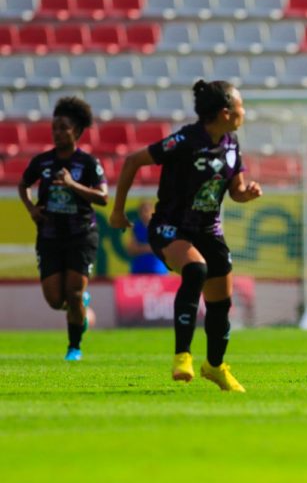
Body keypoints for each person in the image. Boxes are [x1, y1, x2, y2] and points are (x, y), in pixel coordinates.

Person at [108, 80, 262, 392]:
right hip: (171, 226)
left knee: (221, 304)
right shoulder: (186, 140)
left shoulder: (232, 143)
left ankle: (215, 367)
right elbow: (133, 160)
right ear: (225, 112)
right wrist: (118, 211)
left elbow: (236, 190)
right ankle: (182, 355)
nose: (244, 111)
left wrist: (247, 193)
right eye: (240, 105)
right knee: (196, 270)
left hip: (209, 230)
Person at [18, 96, 108, 361]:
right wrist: (31, 209)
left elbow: (103, 197)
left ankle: (74, 347)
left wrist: (72, 185)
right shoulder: (43, 162)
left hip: (81, 234)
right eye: (54, 128)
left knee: (74, 292)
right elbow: (23, 185)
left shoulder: (88, 163)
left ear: (77, 131)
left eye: (63, 127)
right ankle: (80, 307)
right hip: (49, 235)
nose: (57, 133)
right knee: (56, 300)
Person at [126, 200, 168, 275]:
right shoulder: (136, 226)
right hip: (138, 269)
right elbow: (131, 250)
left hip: (157, 270)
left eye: (146, 210)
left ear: (152, 211)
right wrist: (149, 248)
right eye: (141, 211)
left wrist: (140, 248)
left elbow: (163, 248)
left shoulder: (160, 226)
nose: (144, 214)